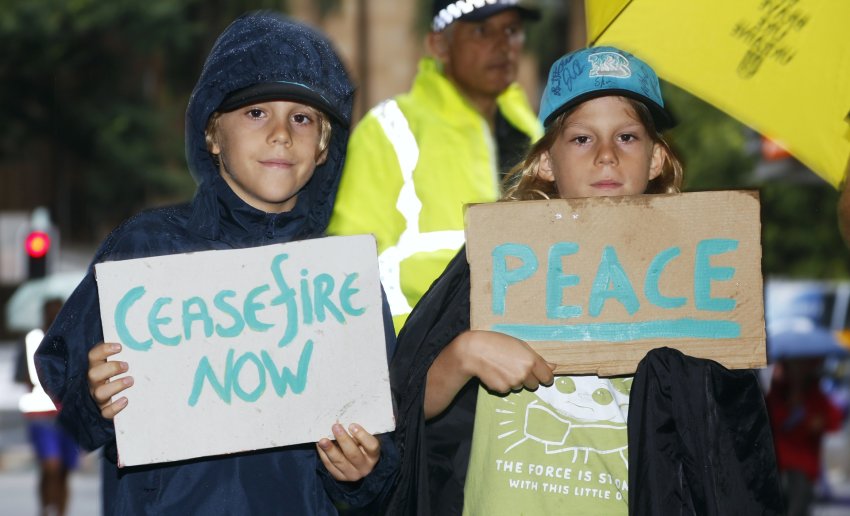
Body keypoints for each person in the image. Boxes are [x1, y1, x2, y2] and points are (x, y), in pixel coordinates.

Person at [387, 46, 782, 514]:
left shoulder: (693, 279)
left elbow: (728, 452)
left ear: (656, 158)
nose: (606, 156)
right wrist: (463, 355)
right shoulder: (497, 262)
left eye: (628, 137)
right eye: (581, 139)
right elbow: (400, 413)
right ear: (546, 163)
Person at [34, 12, 397, 515]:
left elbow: (385, 455)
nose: (279, 134)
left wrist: (364, 473)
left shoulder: (344, 285)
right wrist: (93, 400)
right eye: (255, 113)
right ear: (212, 135)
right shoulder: (143, 250)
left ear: (322, 148)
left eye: (301, 117)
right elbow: (68, 409)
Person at [327, 0, 544, 331]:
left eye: (512, 30)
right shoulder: (389, 128)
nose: (503, 45)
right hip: (413, 357)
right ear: (438, 44)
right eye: (482, 31)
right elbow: (351, 264)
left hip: (523, 347)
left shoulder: (535, 134)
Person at [15, 298, 80, 516]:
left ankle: (60, 511)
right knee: (50, 466)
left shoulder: (72, 340)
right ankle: (45, 509)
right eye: (50, 311)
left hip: (68, 416)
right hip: (41, 415)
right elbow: (20, 377)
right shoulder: (32, 340)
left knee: (64, 471)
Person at [766, 357, 843, 516]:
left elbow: (833, 420)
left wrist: (815, 421)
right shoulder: (778, 392)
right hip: (776, 465)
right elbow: (769, 420)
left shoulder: (815, 394)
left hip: (803, 467)